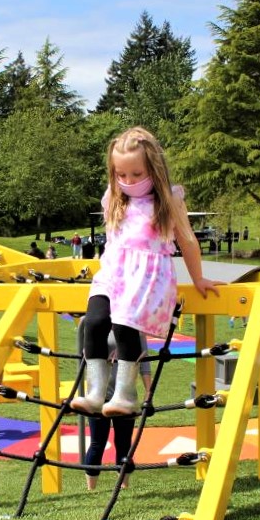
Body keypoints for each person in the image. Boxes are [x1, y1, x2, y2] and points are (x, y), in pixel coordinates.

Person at [72, 126, 222, 417]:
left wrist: (198, 278)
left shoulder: (167, 200)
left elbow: (188, 242)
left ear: (153, 168)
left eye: (136, 174)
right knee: (94, 322)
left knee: (124, 325)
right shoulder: (114, 198)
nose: (128, 181)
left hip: (145, 275)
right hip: (113, 273)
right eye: (121, 174)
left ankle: (125, 395)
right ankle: (95, 391)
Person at [80, 327, 153, 491]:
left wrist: (148, 392)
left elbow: (144, 363)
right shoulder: (98, 322)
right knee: (98, 442)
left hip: (126, 396)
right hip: (99, 396)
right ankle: (91, 489)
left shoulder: (136, 328)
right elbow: (87, 355)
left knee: (124, 443)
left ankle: (124, 486)